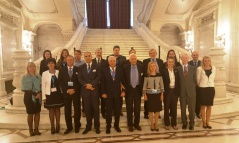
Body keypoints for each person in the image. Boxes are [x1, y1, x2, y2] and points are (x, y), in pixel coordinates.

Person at [78, 52, 101, 135]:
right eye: (86, 56)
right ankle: (88, 126)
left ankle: (97, 127)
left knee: (96, 110)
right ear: (84, 57)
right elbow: (79, 78)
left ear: (92, 57)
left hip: (94, 91)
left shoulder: (97, 66)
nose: (87, 57)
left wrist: (92, 85)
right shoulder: (81, 67)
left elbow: (99, 77)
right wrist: (86, 85)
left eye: (89, 56)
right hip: (85, 92)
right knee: (87, 111)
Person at [101, 56, 125, 134]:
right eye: (111, 61)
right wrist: (103, 92)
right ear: (108, 62)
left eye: (114, 61)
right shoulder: (104, 70)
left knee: (117, 111)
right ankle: (108, 127)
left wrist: (124, 91)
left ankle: (116, 126)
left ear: (116, 61)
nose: (112, 62)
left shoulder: (120, 70)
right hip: (108, 95)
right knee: (108, 112)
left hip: (118, 95)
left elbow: (124, 82)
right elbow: (102, 83)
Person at [58, 55, 81, 134]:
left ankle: (77, 126)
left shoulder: (78, 69)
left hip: (76, 93)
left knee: (77, 110)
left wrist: (74, 89)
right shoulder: (62, 70)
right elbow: (60, 82)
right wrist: (67, 90)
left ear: (73, 60)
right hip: (67, 93)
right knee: (67, 110)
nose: (70, 61)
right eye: (68, 60)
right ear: (66, 61)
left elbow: (80, 81)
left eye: (71, 60)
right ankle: (69, 127)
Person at [42, 58, 64, 134]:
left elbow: (61, 83)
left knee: (57, 110)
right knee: (51, 110)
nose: (51, 65)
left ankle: (58, 125)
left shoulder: (58, 72)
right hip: (49, 94)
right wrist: (43, 97)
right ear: (47, 65)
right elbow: (43, 86)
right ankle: (52, 126)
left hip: (58, 94)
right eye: (49, 63)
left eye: (52, 63)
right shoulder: (44, 73)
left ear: (54, 64)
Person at [122, 53, 144, 132]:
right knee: (129, 108)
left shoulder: (141, 66)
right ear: (129, 60)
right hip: (129, 89)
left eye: (135, 59)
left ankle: (137, 124)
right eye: (132, 59)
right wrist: (124, 90)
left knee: (137, 108)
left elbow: (143, 78)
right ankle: (130, 124)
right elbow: (123, 79)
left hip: (138, 89)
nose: (134, 60)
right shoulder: (125, 67)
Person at [177, 53, 197, 130]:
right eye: (183, 58)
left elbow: (195, 80)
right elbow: (178, 81)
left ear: (188, 59)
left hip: (191, 92)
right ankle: (184, 123)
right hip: (182, 92)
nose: (184, 59)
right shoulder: (178, 69)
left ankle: (192, 123)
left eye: (186, 58)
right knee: (182, 109)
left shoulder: (193, 68)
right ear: (181, 59)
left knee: (191, 109)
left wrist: (191, 87)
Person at [21, 62, 42, 136]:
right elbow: (24, 89)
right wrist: (35, 94)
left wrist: (39, 93)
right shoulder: (25, 77)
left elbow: (41, 86)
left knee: (37, 113)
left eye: (33, 66)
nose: (32, 67)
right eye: (30, 66)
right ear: (27, 68)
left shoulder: (38, 76)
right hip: (29, 97)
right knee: (30, 114)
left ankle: (36, 129)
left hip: (38, 97)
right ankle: (31, 130)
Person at [142, 49, 163, 119]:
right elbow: (144, 72)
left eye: (154, 53)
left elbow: (161, 72)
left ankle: (157, 113)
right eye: (151, 53)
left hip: (157, 83)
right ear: (149, 54)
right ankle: (146, 112)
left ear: (156, 53)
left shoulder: (160, 61)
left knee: (157, 100)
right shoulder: (145, 61)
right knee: (148, 100)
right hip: (149, 82)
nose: (152, 54)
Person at [143, 62, 164, 131]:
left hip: (157, 94)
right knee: (150, 110)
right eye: (151, 66)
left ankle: (156, 124)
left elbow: (162, 85)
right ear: (149, 67)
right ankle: (152, 123)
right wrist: (145, 95)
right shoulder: (147, 75)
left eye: (153, 66)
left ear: (156, 67)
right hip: (150, 94)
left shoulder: (159, 75)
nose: (152, 67)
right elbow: (144, 86)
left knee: (157, 110)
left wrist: (162, 94)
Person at [197, 56, 216, 129]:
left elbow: (214, 78)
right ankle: (204, 122)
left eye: (208, 60)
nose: (207, 62)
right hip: (203, 89)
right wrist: (202, 85)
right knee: (203, 106)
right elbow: (198, 79)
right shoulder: (199, 69)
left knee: (209, 106)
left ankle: (208, 122)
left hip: (211, 89)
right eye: (205, 61)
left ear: (210, 61)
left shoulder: (214, 68)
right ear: (203, 61)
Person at [107, 45, 126, 116]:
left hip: (119, 77)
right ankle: (111, 110)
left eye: (118, 50)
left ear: (119, 51)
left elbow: (123, 68)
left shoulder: (123, 58)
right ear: (113, 51)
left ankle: (119, 110)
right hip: (111, 78)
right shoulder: (109, 57)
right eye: (115, 50)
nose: (117, 51)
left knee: (119, 98)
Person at [161, 57, 180, 130]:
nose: (170, 63)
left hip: (174, 91)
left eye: (172, 62)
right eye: (169, 62)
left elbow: (178, 82)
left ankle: (174, 123)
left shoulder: (176, 70)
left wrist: (178, 93)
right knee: (166, 108)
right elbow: (162, 83)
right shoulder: (163, 71)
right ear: (167, 62)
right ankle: (166, 123)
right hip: (167, 91)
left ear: (174, 63)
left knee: (174, 108)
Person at [92, 48, 108, 119]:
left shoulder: (105, 62)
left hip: (103, 84)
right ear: (95, 53)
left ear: (101, 53)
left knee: (103, 100)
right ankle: (94, 113)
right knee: (94, 100)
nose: (99, 53)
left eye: (100, 52)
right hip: (94, 84)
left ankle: (103, 113)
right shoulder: (92, 61)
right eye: (97, 52)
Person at [188, 51, 202, 119]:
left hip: (199, 84)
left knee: (199, 98)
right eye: (194, 55)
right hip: (191, 84)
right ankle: (192, 112)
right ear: (192, 56)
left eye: (196, 55)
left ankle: (197, 112)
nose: (195, 56)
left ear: (198, 55)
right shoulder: (189, 63)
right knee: (192, 99)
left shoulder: (201, 63)